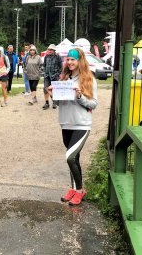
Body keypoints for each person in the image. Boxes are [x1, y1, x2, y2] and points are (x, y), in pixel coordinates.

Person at [48, 48, 98, 206]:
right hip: (66, 123)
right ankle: (74, 188)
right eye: (68, 59)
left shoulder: (89, 79)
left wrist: (80, 96)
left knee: (70, 157)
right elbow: (59, 103)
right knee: (74, 159)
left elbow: (93, 104)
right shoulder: (64, 79)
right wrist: (52, 94)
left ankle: (80, 190)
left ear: (80, 61)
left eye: (73, 59)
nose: (69, 62)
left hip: (81, 125)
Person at [42, 44, 63, 110]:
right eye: (48, 49)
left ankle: (54, 102)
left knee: (54, 89)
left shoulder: (58, 57)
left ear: (54, 50)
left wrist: (57, 74)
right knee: (45, 88)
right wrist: (45, 72)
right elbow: (44, 65)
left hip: (55, 76)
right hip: (47, 75)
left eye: (51, 50)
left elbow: (61, 67)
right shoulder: (46, 56)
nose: (49, 51)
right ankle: (47, 103)